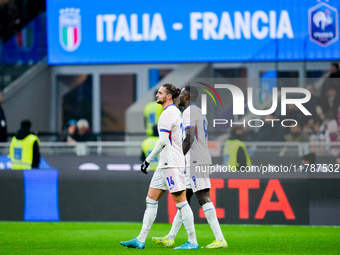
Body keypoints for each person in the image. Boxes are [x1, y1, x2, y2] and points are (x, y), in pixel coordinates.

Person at [121, 84, 198, 250]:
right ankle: (140, 239)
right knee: (151, 200)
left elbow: (163, 141)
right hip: (165, 163)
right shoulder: (173, 112)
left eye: (160, 93)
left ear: (168, 96)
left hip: (172, 163)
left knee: (181, 202)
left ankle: (192, 241)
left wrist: (147, 160)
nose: (157, 95)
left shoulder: (168, 113)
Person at [152, 85, 227, 249]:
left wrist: (178, 157)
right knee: (184, 200)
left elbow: (190, 137)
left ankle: (220, 239)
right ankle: (171, 237)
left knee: (203, 197)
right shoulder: (199, 112)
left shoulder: (189, 112)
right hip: (195, 160)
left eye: (182, 94)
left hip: (195, 161)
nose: (178, 98)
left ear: (186, 97)